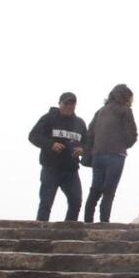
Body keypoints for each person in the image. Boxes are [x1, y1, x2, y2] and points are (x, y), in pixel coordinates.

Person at [28, 91, 87, 221]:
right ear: (59, 103)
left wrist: (82, 150)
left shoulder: (80, 123)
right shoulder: (48, 118)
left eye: (72, 104)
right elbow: (33, 136)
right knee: (46, 202)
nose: (69, 107)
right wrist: (50, 144)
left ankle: (69, 230)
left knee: (76, 200)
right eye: (66, 104)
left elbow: (88, 144)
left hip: (71, 170)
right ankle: (41, 231)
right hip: (51, 168)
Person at [84, 83, 138, 223]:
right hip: (116, 154)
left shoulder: (100, 111)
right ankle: (104, 222)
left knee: (95, 188)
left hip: (98, 154)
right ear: (126, 97)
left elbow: (90, 133)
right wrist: (126, 143)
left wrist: (90, 153)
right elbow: (131, 134)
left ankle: (88, 221)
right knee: (109, 191)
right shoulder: (125, 111)